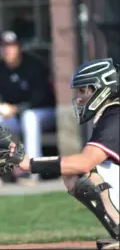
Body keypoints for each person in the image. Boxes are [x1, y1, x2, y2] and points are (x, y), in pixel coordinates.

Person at [16, 58, 119, 250]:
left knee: (82, 173)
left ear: (101, 88)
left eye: (83, 91)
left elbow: (83, 164)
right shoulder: (111, 113)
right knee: (79, 172)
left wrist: (30, 164)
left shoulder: (115, 115)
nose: (79, 98)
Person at [0, 30, 56, 188]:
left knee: (29, 117)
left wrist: (15, 109)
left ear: (19, 47)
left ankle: (32, 170)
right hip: (15, 115)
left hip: (44, 113)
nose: (8, 50)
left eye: (12, 46)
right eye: (5, 46)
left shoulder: (33, 65)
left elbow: (39, 98)